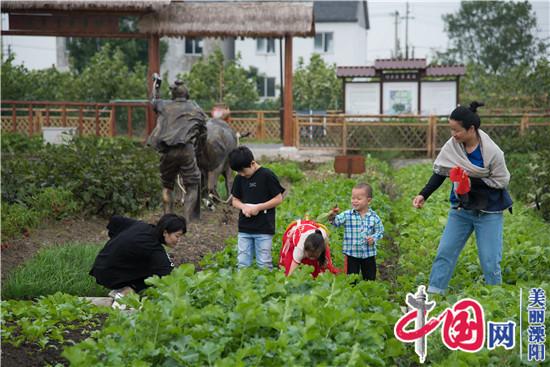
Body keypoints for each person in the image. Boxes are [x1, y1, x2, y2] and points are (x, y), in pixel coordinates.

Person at [412, 101, 513, 295]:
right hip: (461, 209)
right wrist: (423, 194)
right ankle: (434, 294)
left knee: (489, 260)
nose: (453, 135)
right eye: (451, 130)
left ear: (471, 129)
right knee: (445, 252)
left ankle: (498, 299)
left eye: (456, 130)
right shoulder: (453, 146)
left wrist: (470, 180)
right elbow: (441, 171)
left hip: (488, 211)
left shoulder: (492, 153)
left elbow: (501, 181)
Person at [147, 78, 208, 221]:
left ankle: (167, 219)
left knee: (167, 185)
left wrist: (156, 86)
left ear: (172, 95)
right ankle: (186, 221)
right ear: (187, 95)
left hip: (167, 150)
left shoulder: (164, 105)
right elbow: (203, 132)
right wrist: (198, 149)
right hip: (187, 150)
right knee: (192, 185)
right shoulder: (195, 108)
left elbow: (153, 100)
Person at [89, 214, 186, 295]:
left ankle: (121, 288)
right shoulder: (154, 248)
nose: (179, 241)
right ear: (165, 232)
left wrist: (116, 242)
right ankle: (124, 292)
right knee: (156, 275)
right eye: (177, 236)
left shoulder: (141, 225)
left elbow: (115, 220)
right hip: (108, 274)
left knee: (149, 263)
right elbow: (169, 275)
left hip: (100, 264)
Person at [229, 146, 285, 269]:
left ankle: (265, 286)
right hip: (244, 228)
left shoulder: (267, 175)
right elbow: (235, 200)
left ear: (252, 163)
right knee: (242, 261)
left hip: (264, 228)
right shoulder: (239, 178)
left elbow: (278, 198)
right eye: (238, 172)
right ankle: (243, 285)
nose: (241, 174)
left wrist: (258, 207)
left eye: (243, 171)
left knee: (264, 261)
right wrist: (243, 207)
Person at [328, 183, 384, 281]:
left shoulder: (374, 217)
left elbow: (380, 231)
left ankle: (368, 293)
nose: (354, 201)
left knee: (370, 278)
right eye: (353, 198)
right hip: (351, 254)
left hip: (368, 254)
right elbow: (336, 222)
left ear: (368, 200)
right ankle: (353, 294)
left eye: (358, 199)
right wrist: (332, 215)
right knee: (351, 279)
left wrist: (374, 238)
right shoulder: (347, 215)